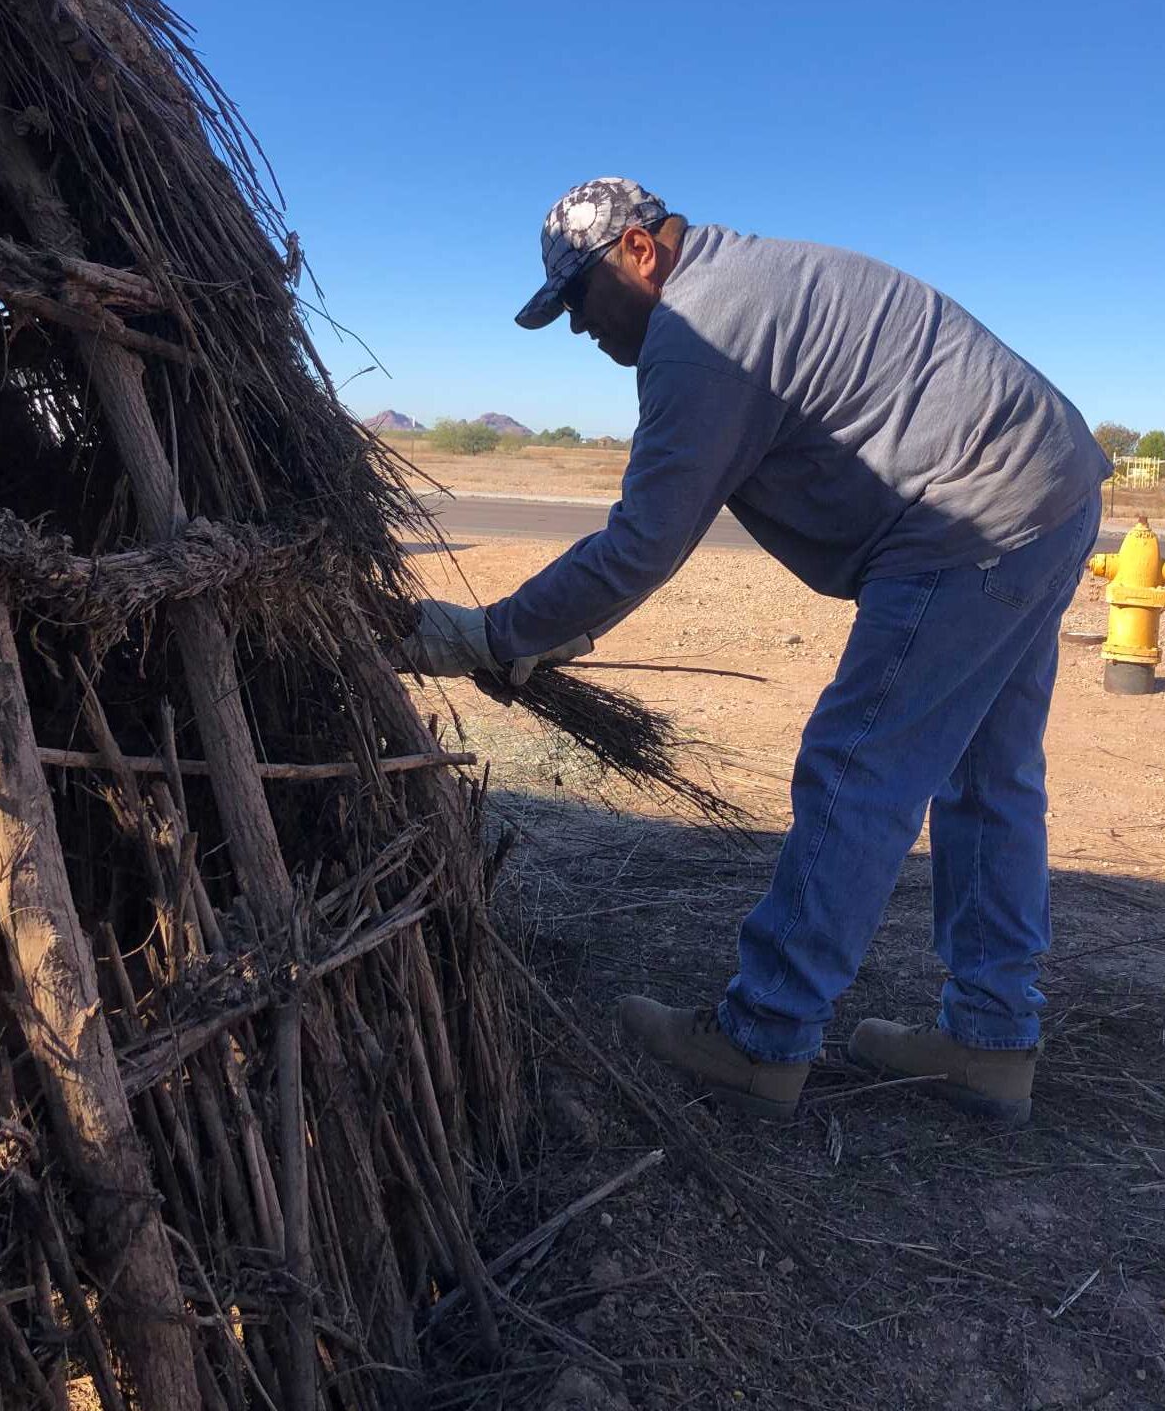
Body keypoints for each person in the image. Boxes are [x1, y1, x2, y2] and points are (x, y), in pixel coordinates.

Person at [405, 179, 1109, 1127]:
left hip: (968, 523)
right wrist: (565, 626)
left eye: (579, 297)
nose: (578, 328)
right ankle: (989, 1043)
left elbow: (643, 541)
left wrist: (492, 634)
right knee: (988, 777)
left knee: (859, 768)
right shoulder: (751, 286)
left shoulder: (705, 331)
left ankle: (763, 1039)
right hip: (1048, 490)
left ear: (641, 254)